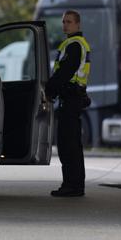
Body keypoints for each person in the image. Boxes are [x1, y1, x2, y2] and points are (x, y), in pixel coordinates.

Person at [45, 10, 92, 197]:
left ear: (78, 25)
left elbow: (64, 72)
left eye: (69, 22)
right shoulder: (74, 44)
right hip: (74, 98)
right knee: (73, 144)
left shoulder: (74, 45)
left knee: (68, 145)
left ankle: (71, 185)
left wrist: (49, 90)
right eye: (64, 22)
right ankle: (75, 184)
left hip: (70, 98)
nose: (65, 25)